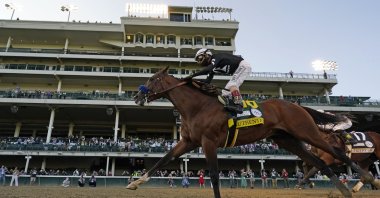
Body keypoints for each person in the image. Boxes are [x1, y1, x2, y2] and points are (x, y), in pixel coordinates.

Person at [185, 48, 252, 114]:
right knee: (225, 92)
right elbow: (207, 81)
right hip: (238, 69)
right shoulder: (212, 67)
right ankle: (233, 107)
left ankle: (239, 104)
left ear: (207, 54)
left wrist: (192, 75)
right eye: (198, 60)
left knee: (232, 85)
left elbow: (207, 70)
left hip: (242, 65)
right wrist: (193, 81)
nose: (199, 60)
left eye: (199, 57)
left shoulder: (215, 57)